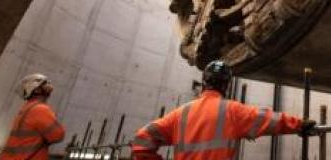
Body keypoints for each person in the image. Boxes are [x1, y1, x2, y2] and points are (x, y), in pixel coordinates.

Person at [132, 60, 316, 160]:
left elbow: (141, 140)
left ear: (204, 82)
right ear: (226, 85)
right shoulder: (232, 111)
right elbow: (270, 120)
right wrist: (299, 125)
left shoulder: (180, 114)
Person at [0, 73, 65, 160]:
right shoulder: (40, 109)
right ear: (36, 90)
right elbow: (58, 135)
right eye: (45, 83)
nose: (49, 85)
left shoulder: (27, 108)